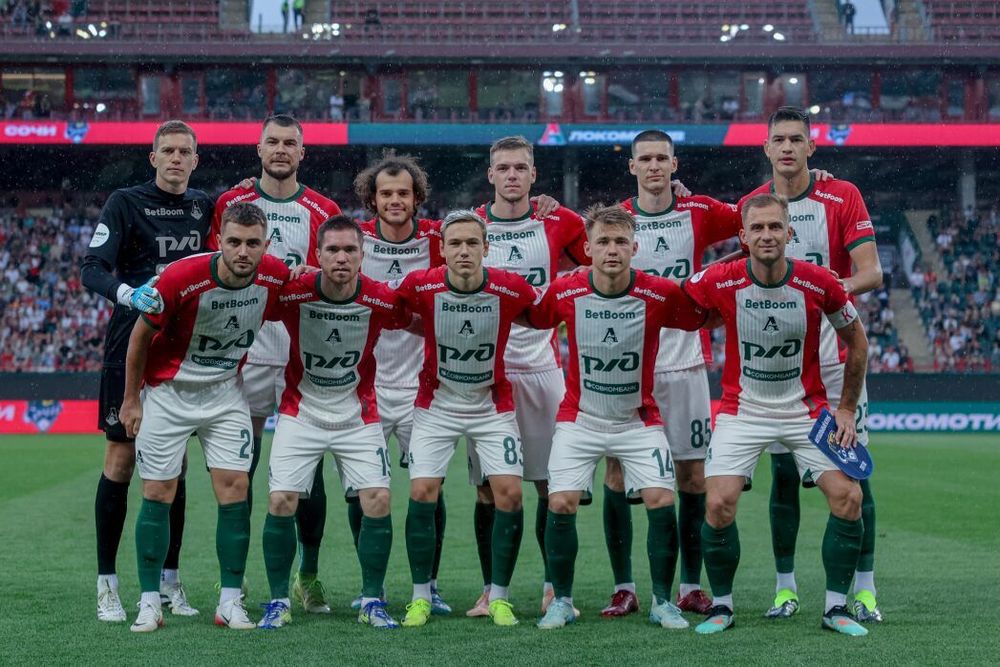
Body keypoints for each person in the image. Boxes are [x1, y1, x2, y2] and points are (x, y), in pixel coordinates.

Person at [681, 193, 870, 637]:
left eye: (775, 227)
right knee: (718, 503)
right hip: (742, 411)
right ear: (743, 237)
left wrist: (845, 409)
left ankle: (836, 608)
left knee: (849, 498)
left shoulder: (819, 282)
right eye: (757, 228)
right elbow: (683, 302)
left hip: (806, 411)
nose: (767, 235)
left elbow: (857, 343)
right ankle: (722, 606)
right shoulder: (722, 280)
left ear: (790, 232)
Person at [525, 204, 711, 630]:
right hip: (580, 419)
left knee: (661, 498)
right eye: (604, 242)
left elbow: (704, 313)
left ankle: (662, 602)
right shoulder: (565, 291)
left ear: (635, 248)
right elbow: (529, 315)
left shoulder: (659, 292)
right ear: (588, 248)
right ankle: (561, 601)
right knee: (560, 501)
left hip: (638, 421)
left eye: (621, 242)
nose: (612, 249)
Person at [740, 106, 883, 623]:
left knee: (854, 473)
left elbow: (872, 272)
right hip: (780, 365)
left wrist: (823, 289)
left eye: (796, 139)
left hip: (836, 361)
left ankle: (864, 590)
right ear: (766, 148)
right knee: (783, 476)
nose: (787, 147)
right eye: (779, 139)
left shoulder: (841, 196)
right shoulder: (753, 206)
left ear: (811, 147)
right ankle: (785, 589)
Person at [120, 203, 289, 632]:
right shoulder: (182, 276)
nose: (243, 251)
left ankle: (230, 602)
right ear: (219, 241)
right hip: (168, 394)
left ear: (266, 245)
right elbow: (139, 337)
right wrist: (131, 400)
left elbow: (302, 294)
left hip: (226, 393)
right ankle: (149, 602)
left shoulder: (275, 276)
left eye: (253, 243)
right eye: (234, 242)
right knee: (157, 491)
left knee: (235, 489)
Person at [598, 129, 742, 619]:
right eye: (645, 159)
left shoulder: (698, 211)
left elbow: (759, 217)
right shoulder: (616, 220)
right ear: (632, 167)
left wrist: (809, 179)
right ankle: (623, 587)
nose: (654, 166)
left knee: (692, 477)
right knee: (617, 473)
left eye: (662, 158)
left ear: (674, 165)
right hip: (627, 367)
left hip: (685, 364)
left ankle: (689, 587)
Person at [81, 120, 213, 623]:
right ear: (153, 157)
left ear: (195, 160)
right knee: (120, 460)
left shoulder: (203, 206)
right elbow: (92, 268)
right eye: (168, 151)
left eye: (185, 151)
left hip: (183, 348)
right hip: (129, 343)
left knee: (174, 467)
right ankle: (107, 585)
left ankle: (170, 582)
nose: (176, 158)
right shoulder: (125, 202)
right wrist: (129, 294)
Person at [210, 113, 341, 615]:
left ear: (302, 152)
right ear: (259, 148)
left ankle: (308, 574)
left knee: (307, 472)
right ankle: (236, 578)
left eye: (290, 142)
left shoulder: (322, 209)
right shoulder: (232, 204)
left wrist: (308, 275)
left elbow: (331, 278)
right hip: (244, 349)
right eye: (273, 142)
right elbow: (217, 269)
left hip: (300, 350)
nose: (281, 149)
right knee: (238, 469)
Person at [258, 216, 407, 630]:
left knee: (377, 499)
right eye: (333, 250)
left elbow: (420, 317)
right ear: (318, 255)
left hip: (358, 415)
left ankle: (372, 600)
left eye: (350, 250)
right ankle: (277, 601)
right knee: (281, 500)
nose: (342, 258)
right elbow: (254, 291)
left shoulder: (380, 298)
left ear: (362, 255)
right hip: (301, 412)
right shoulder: (293, 294)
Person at [395, 209, 539, 628]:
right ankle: (420, 597)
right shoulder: (420, 284)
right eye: (455, 243)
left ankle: (500, 597)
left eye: (472, 243)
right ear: (441, 249)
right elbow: (389, 307)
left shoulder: (511, 288)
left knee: (510, 494)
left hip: (491, 408)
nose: (463, 251)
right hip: (436, 406)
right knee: (422, 492)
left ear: (486, 248)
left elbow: (547, 309)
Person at [469, 135, 589, 616]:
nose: (512, 175)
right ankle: (489, 589)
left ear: (534, 175)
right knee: (487, 488)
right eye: (504, 168)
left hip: (542, 370)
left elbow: (606, 257)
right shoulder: (470, 226)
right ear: (491, 175)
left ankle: (552, 586)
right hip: (487, 376)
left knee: (550, 486)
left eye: (521, 167)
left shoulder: (561, 222)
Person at [353, 153, 450, 614]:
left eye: (404, 193)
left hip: (423, 388)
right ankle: (369, 585)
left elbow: (489, 226)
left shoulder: (438, 239)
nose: (395, 200)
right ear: (372, 199)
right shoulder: (354, 240)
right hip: (365, 388)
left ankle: (429, 584)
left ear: (417, 198)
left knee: (429, 489)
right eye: (386, 193)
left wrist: (544, 203)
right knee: (362, 489)